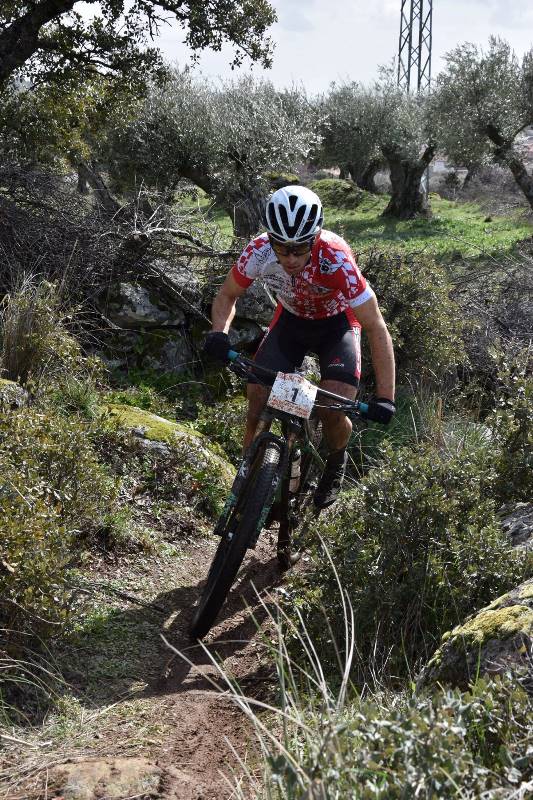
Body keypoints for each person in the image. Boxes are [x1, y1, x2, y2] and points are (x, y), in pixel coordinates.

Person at [204, 184, 396, 512]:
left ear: (316, 238)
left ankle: (336, 460)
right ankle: (248, 481)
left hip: (337, 326)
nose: (291, 258)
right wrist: (219, 333)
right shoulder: (258, 252)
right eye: (283, 247)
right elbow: (226, 295)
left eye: (300, 248)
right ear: (270, 239)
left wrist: (385, 397)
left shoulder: (336, 258)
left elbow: (376, 326)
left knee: (331, 409)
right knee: (258, 397)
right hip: (290, 322)